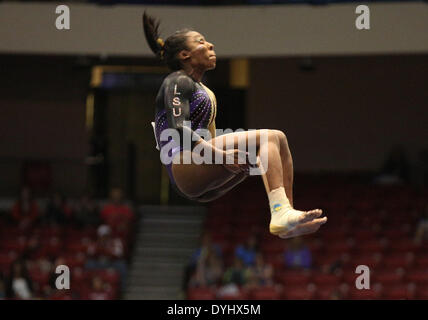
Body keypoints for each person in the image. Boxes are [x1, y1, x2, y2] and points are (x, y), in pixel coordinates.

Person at [143, 12, 327, 239]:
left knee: (276, 144)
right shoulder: (177, 80)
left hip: (198, 177)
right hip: (183, 165)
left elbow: (209, 137)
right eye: (200, 42)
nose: (210, 44)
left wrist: (224, 159)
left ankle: (286, 217)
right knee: (270, 137)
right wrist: (221, 155)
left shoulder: (206, 92)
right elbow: (178, 130)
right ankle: (280, 212)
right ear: (185, 54)